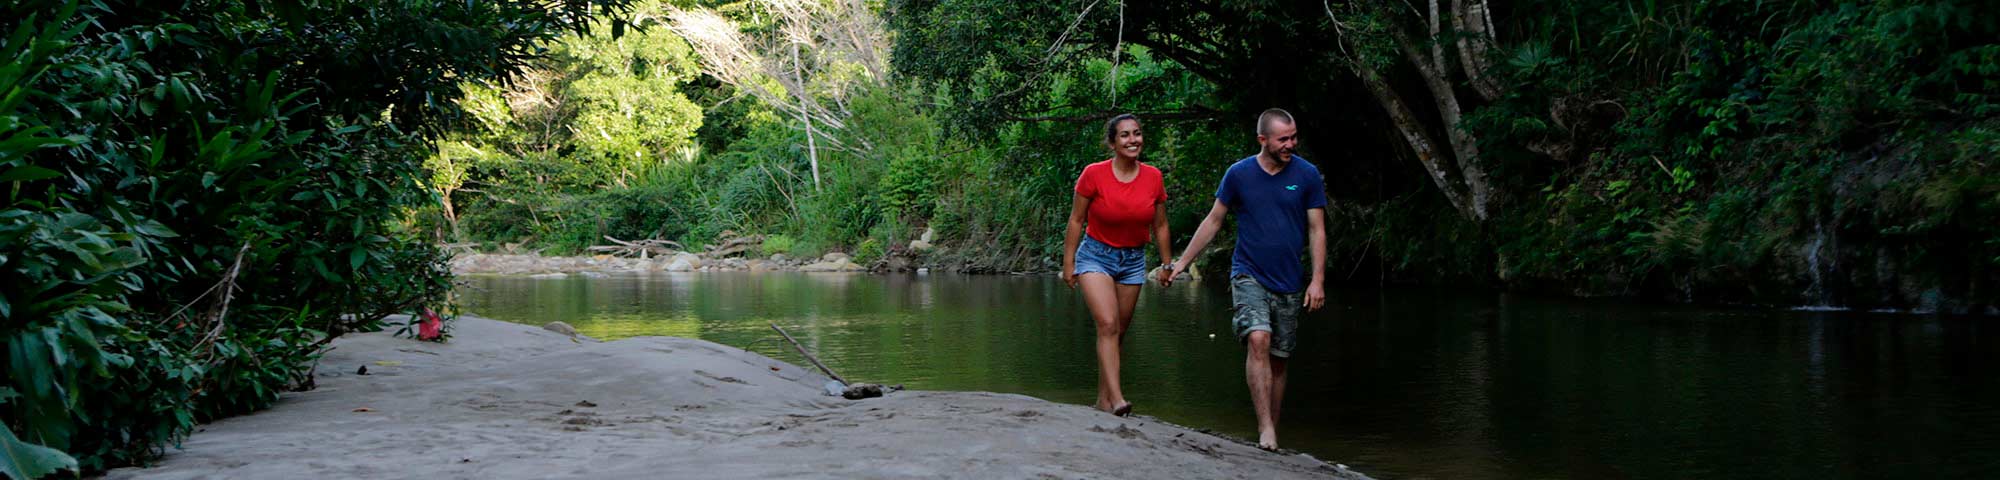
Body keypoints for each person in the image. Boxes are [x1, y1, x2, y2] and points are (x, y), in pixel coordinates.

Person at [1166, 108, 1327, 450]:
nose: (1291, 144)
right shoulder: (1239, 175)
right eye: (1283, 139)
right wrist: (1183, 262)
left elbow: (1317, 229)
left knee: (1280, 359)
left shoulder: (1307, 174)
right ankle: (1264, 427)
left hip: (1289, 280)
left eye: (1294, 137)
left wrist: (1317, 280)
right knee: (1258, 339)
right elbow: (1213, 221)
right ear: (1263, 139)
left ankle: (1273, 429)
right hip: (1248, 272)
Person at [1062, 113, 1177, 416]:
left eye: (1137, 134)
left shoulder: (1153, 177)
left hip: (1133, 259)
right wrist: (1069, 262)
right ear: (1112, 143)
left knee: (1118, 333)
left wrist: (1167, 264)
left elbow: (1161, 225)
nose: (1132, 140)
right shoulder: (1093, 174)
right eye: (1124, 135)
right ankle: (1118, 400)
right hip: (1095, 255)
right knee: (1108, 325)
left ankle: (1102, 401)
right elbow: (1076, 220)